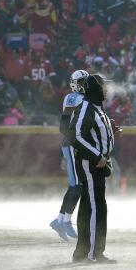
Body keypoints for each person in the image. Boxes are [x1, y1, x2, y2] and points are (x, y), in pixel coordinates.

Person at [70, 74, 116, 263]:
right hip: (91, 164)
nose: (107, 89)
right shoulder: (86, 107)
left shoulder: (96, 107)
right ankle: (93, 253)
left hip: (97, 164)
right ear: (96, 88)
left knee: (92, 206)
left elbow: (93, 135)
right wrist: (98, 156)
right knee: (96, 206)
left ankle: (85, 252)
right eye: (104, 86)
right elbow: (75, 135)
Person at [50, 69, 88, 241]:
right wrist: (76, 139)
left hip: (77, 145)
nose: (84, 85)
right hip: (73, 145)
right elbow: (63, 127)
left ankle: (61, 220)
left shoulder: (84, 99)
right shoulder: (73, 98)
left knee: (76, 185)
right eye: (82, 82)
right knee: (77, 185)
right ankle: (64, 221)